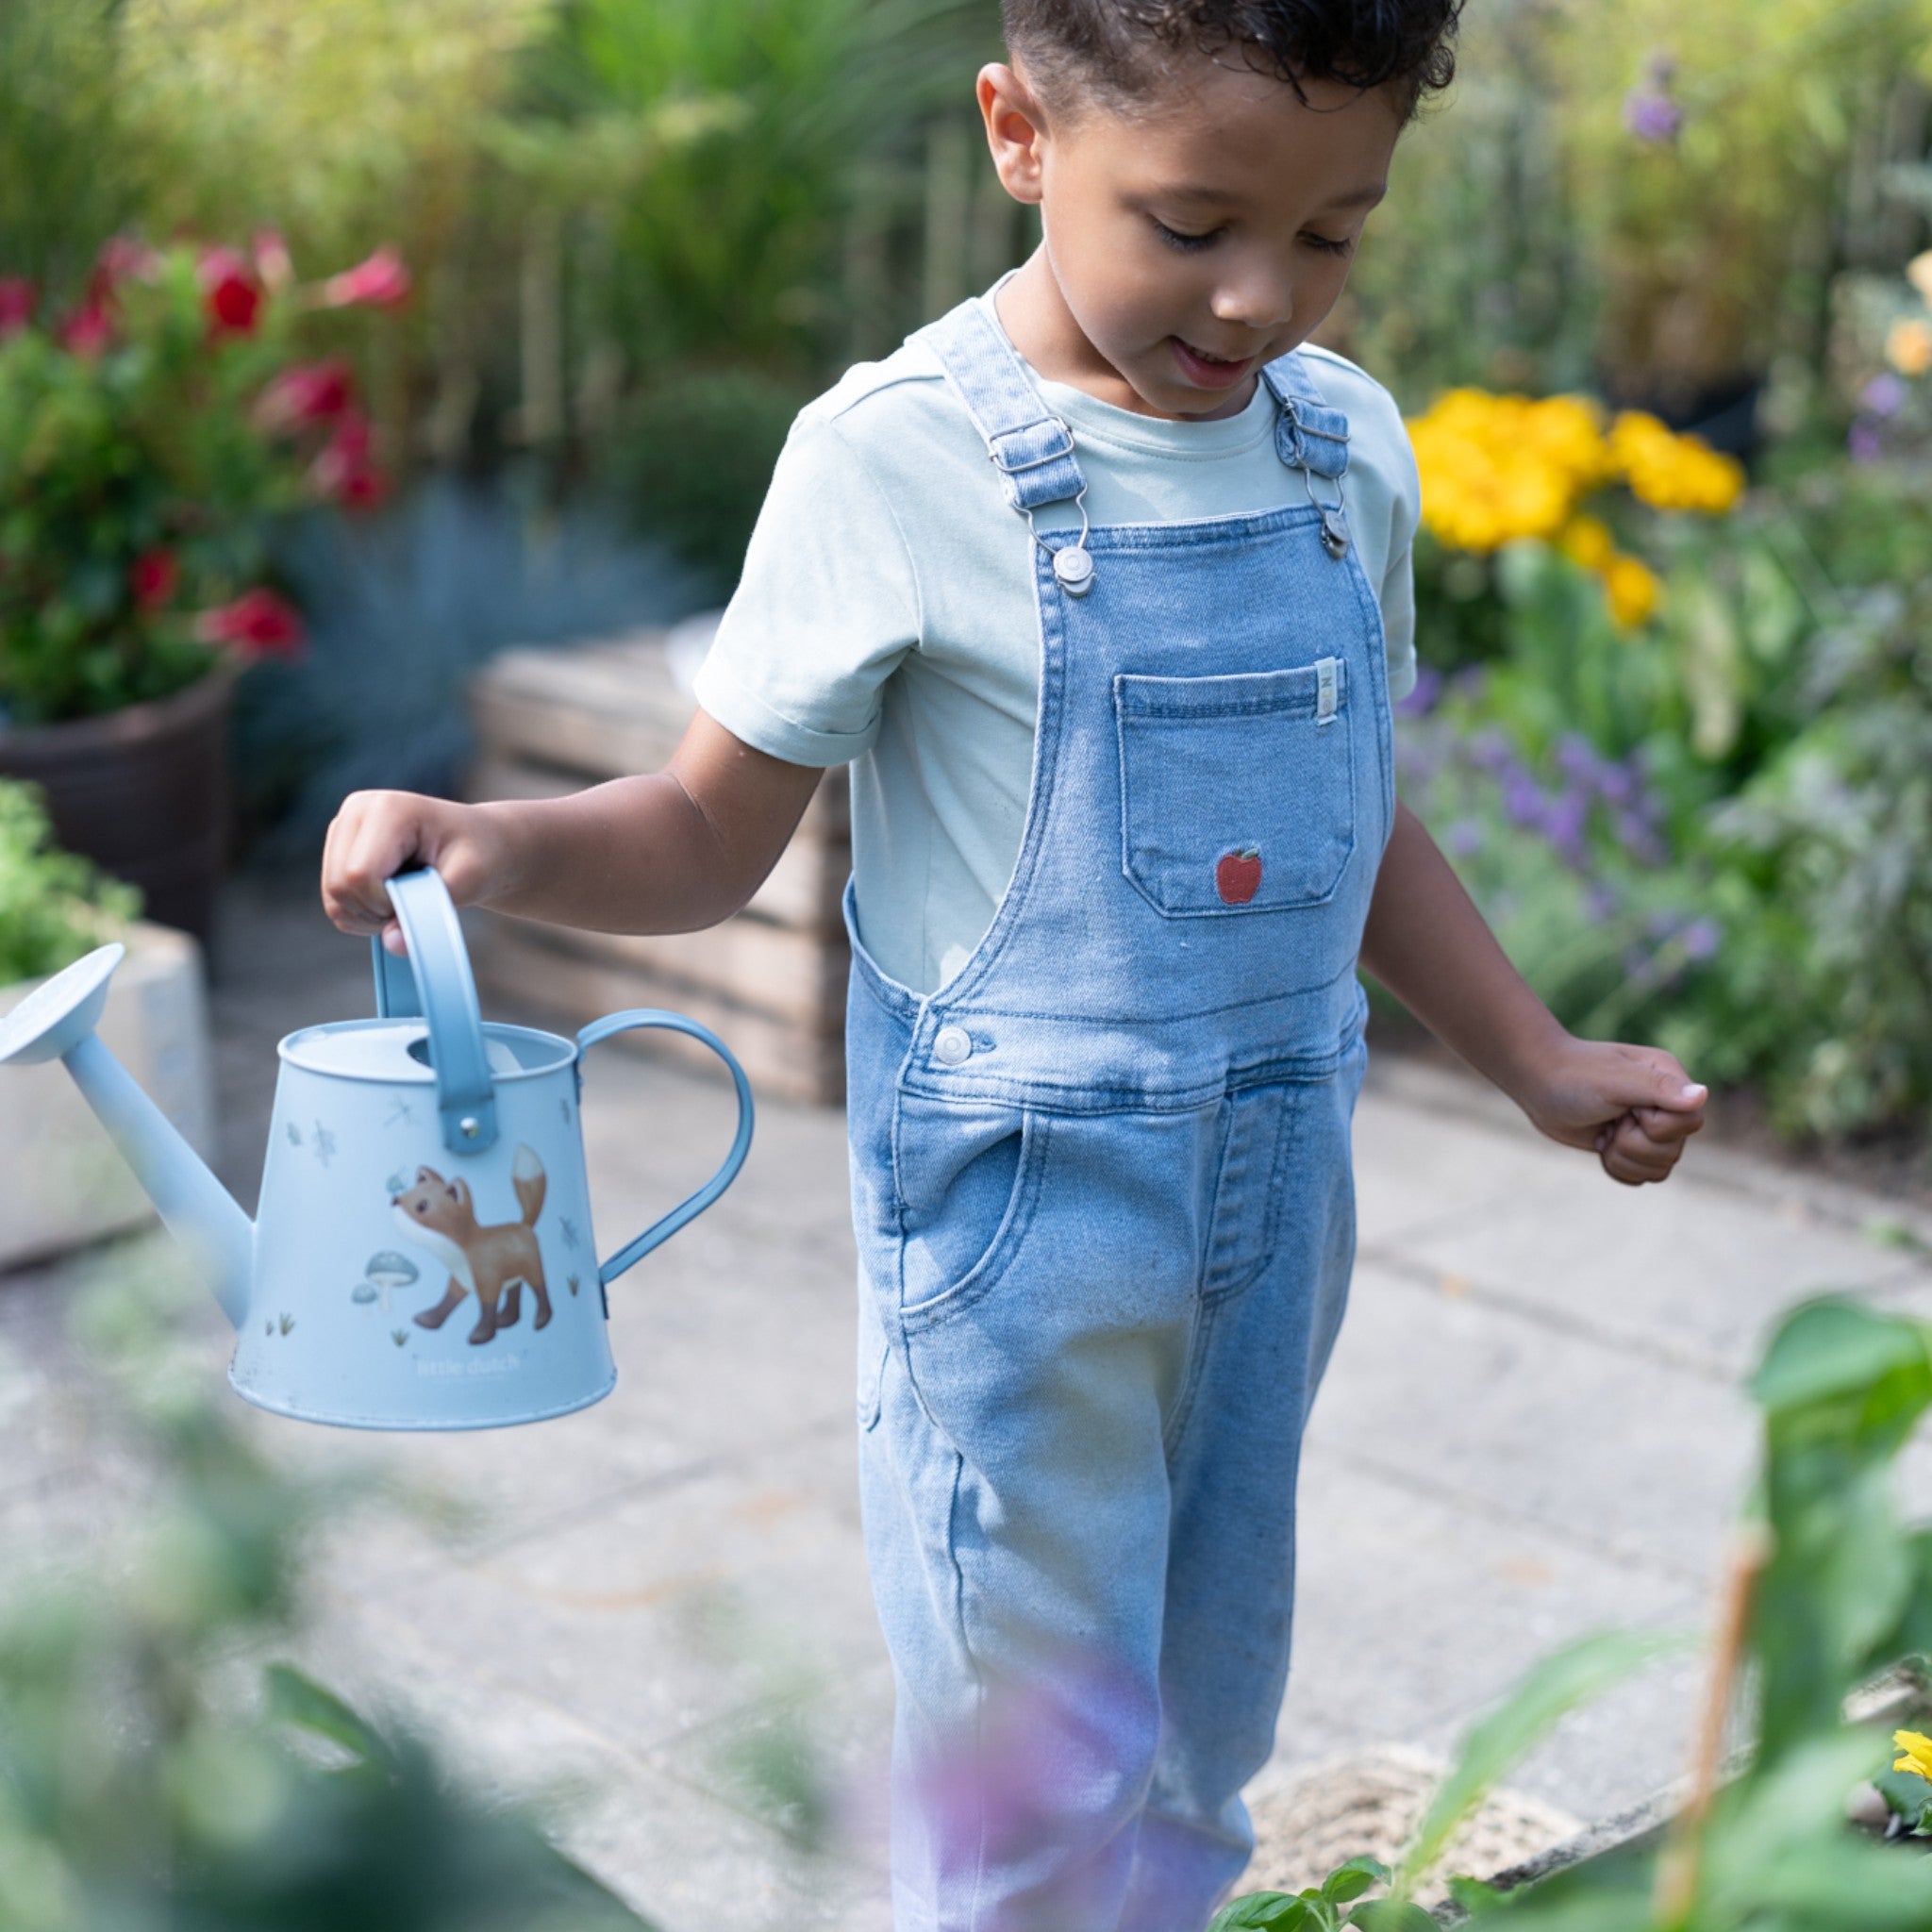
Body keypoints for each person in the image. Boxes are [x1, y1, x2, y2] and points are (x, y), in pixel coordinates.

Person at [323, 3, 1709, 1924]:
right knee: (1035, 1780)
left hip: (1276, 1200)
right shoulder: (896, 464)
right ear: (1018, 132)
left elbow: (1350, 813)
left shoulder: (1341, 451)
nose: (1255, 302)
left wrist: (1534, 1057)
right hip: (1025, 1240)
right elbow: (710, 836)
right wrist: (494, 847)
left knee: (1205, 1741)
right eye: (1192, 220)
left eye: (1328, 236)